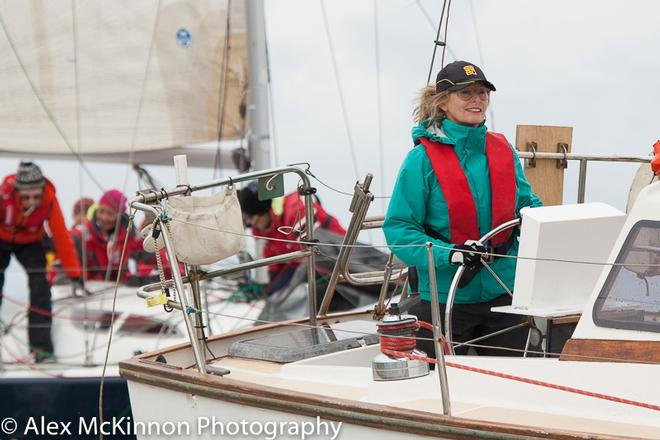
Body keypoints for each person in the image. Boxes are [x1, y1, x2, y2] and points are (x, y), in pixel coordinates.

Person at [383, 61, 543, 357]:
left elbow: (527, 204)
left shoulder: (503, 150)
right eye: (466, 93)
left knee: (516, 379)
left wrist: (549, 221)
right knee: (438, 386)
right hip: (447, 297)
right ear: (443, 103)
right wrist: (451, 254)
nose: (477, 100)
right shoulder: (421, 160)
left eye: (482, 93)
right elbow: (399, 229)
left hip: (503, 291)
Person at [0, 161, 82, 362]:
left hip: (31, 242)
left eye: (36, 196)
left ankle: (41, 350)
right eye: (26, 197)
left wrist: (74, 274)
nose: (32, 202)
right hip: (1, 239)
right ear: (18, 192)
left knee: (41, 290)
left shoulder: (49, 200)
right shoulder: (3, 197)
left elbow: (61, 236)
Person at [237, 184, 346, 293]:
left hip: (338, 255)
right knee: (274, 294)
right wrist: (269, 289)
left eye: (249, 217)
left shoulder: (296, 209)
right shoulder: (265, 231)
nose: (250, 223)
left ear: (260, 211)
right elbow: (275, 261)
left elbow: (315, 252)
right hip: (301, 264)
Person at [71, 189, 142, 282]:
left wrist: (143, 277)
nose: (104, 217)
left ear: (120, 215)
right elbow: (66, 245)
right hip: (89, 288)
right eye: (101, 211)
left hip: (121, 289)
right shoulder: (82, 233)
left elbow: (154, 256)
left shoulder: (130, 235)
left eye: (110, 213)